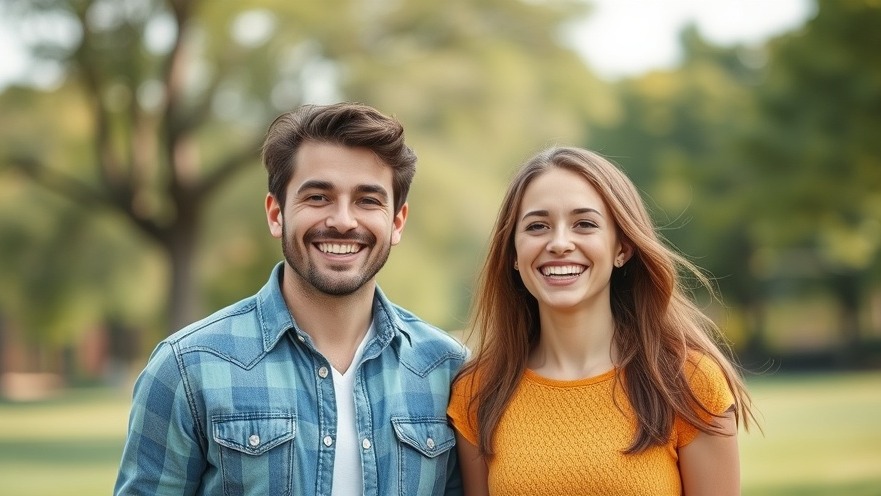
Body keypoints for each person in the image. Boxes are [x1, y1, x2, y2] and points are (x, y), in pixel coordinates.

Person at [115, 102, 467, 495]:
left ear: (397, 222)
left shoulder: (449, 370)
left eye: (368, 200)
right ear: (276, 213)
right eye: (318, 197)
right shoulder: (186, 368)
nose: (343, 220)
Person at [447, 146, 758, 496]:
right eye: (537, 226)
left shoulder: (689, 382)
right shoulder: (478, 392)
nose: (560, 243)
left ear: (621, 248)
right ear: (514, 254)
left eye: (585, 224)